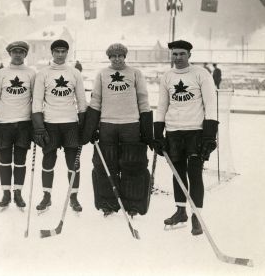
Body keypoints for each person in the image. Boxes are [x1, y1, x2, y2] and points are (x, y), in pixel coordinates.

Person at [152, 40, 218, 236]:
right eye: (175, 54)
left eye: (182, 54)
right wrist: (158, 134)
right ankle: (180, 211)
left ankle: (196, 215)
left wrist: (209, 135)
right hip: (173, 131)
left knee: (194, 173)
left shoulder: (200, 74)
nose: (178, 57)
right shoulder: (167, 76)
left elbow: (211, 104)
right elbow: (162, 105)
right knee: (177, 172)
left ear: (189, 55)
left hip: (195, 131)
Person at [82, 43, 153, 217]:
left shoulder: (135, 73)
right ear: (109, 58)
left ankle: (133, 204)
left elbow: (143, 101)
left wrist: (147, 131)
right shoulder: (102, 74)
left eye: (120, 55)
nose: (117, 59)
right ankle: (108, 203)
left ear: (125, 56)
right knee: (106, 165)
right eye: (113, 56)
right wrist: (91, 128)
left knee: (133, 165)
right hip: (107, 125)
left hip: (131, 124)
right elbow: (96, 101)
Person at [32, 39, 87, 212]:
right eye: (57, 51)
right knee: (48, 161)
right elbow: (37, 101)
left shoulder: (74, 72)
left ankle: (74, 197)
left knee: (73, 163)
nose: (60, 54)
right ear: (52, 53)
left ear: (67, 53)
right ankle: (46, 196)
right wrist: (39, 127)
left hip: (70, 123)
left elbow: (81, 100)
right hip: (50, 123)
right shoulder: (43, 73)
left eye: (63, 51)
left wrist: (83, 124)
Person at [0, 41, 36, 209]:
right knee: (5, 159)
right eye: (15, 51)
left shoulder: (31, 74)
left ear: (25, 54)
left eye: (21, 51)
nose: (18, 54)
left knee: (20, 160)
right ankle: (6, 193)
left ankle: (18, 193)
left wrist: (37, 123)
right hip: (4, 123)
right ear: (10, 53)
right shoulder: (1, 73)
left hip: (24, 123)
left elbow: (36, 100)